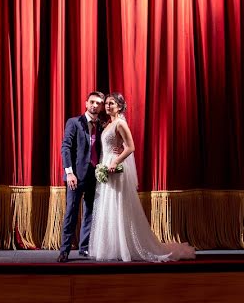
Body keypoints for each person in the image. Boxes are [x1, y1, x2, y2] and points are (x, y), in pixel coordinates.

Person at [87, 92, 196, 261]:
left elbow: (131, 147)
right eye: (107, 103)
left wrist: (115, 161)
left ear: (120, 106)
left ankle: (126, 247)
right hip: (106, 165)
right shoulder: (109, 123)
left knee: (118, 205)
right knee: (108, 206)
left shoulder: (120, 123)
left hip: (114, 167)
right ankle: (113, 247)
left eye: (112, 103)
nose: (108, 106)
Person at [57, 91, 106, 262]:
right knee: (71, 212)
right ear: (86, 103)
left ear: (101, 107)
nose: (95, 105)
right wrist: (69, 172)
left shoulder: (101, 125)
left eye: (98, 103)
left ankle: (84, 248)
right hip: (76, 177)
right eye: (92, 102)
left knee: (90, 213)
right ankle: (64, 250)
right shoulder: (74, 122)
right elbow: (66, 147)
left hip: (95, 176)